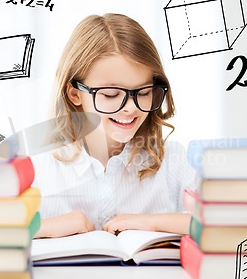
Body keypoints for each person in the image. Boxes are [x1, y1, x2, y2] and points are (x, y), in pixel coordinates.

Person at [32, 13, 196, 238]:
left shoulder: (173, 161)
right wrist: (44, 228)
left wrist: (154, 223)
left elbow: (225, 225)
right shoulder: (38, 164)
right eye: (110, 95)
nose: (130, 108)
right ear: (75, 94)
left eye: (144, 92)